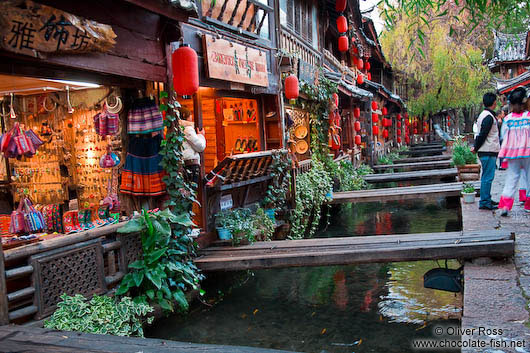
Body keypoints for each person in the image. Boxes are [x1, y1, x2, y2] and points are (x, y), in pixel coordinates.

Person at [498, 87, 530, 216]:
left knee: (511, 178)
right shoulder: (528, 117)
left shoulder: (508, 119)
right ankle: (528, 204)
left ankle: (505, 206)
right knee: (529, 177)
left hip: (512, 153)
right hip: (528, 151)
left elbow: (503, 136)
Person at [473, 92, 500, 210]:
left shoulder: (484, 115)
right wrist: (476, 147)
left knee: (487, 176)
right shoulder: (488, 117)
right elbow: (483, 134)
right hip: (488, 150)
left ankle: (486, 198)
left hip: (487, 150)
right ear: (494, 103)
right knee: (487, 177)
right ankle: (484, 201)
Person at [179, 107, 206, 186]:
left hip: (181, 163)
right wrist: (201, 136)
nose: (191, 117)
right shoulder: (187, 129)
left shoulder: (175, 128)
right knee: (191, 191)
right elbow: (200, 146)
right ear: (184, 115)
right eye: (190, 115)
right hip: (190, 164)